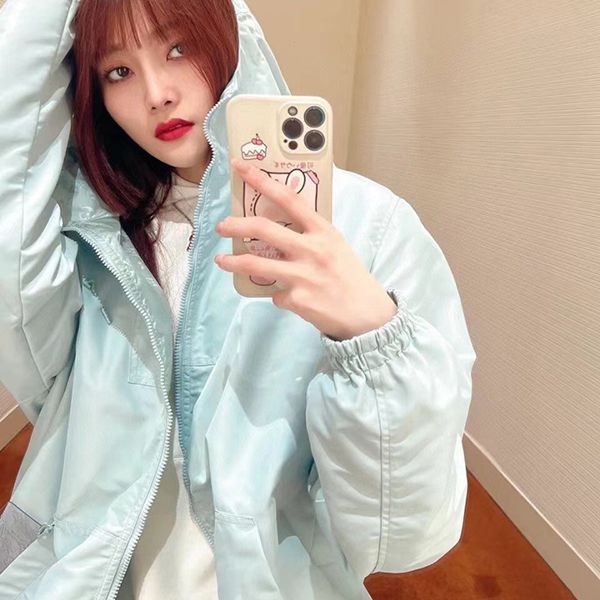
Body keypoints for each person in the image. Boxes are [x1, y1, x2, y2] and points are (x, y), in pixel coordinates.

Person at [0, 0, 477, 598]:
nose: (157, 94)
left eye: (178, 48)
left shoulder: (368, 225)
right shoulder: (86, 237)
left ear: (228, 36)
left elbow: (405, 538)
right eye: (118, 71)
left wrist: (369, 336)